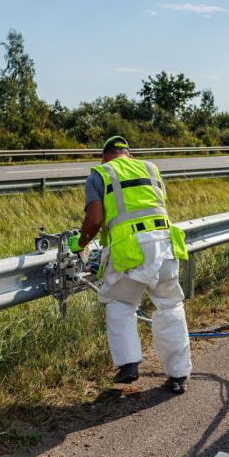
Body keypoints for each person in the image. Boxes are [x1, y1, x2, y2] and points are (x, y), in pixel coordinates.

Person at [67, 136, 192, 394]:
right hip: (165, 245)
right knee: (169, 306)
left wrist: (79, 244)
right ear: (129, 155)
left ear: (104, 156)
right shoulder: (151, 168)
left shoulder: (100, 173)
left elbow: (94, 219)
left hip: (129, 250)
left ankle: (128, 365)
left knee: (120, 305)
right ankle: (179, 375)